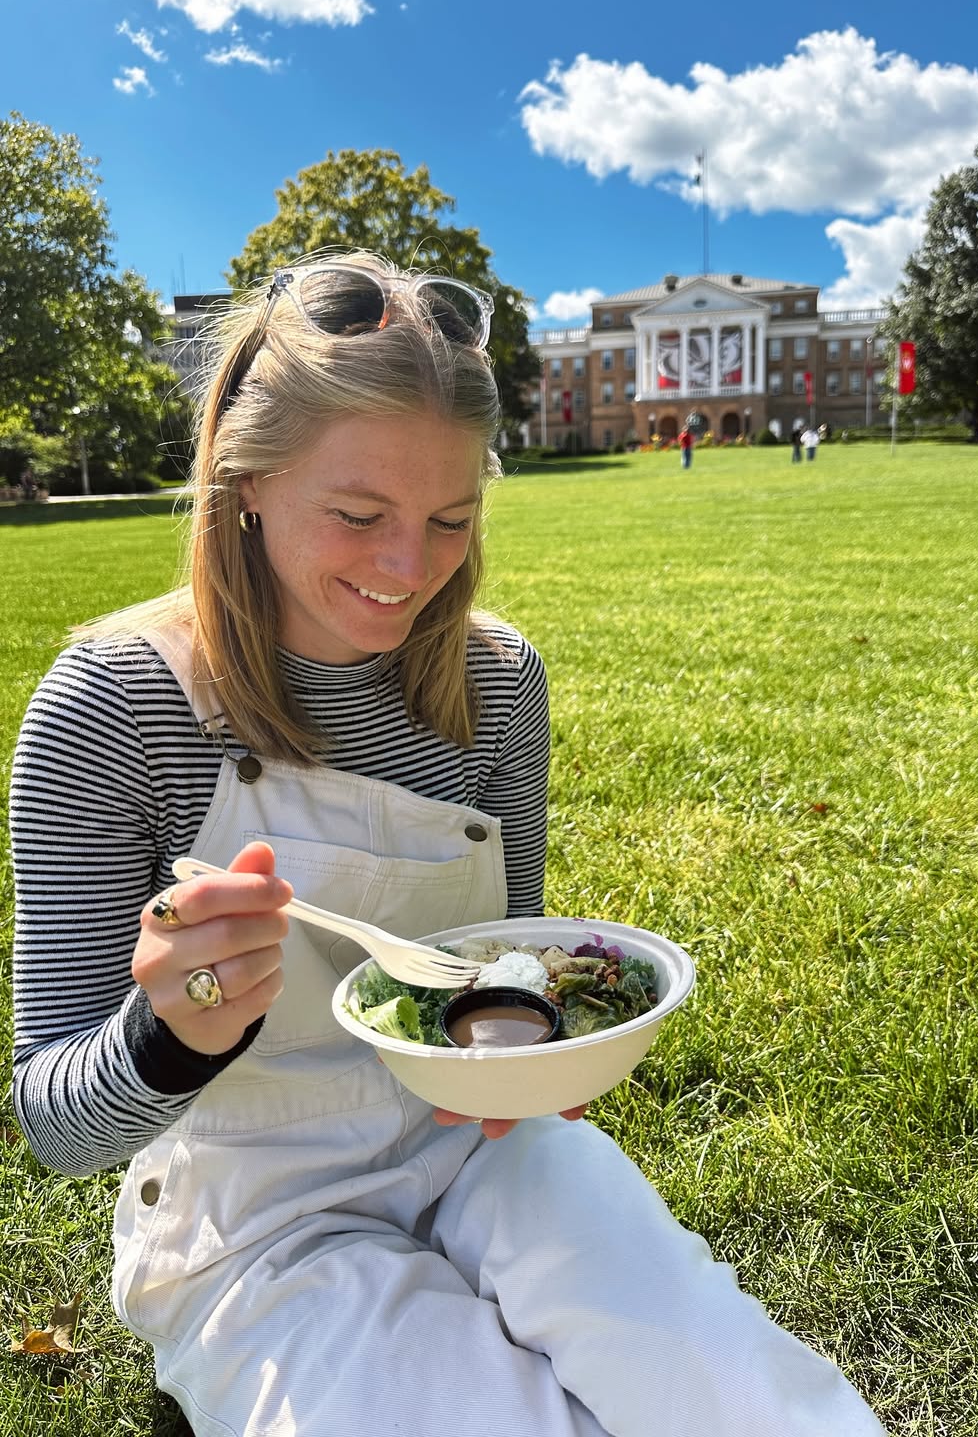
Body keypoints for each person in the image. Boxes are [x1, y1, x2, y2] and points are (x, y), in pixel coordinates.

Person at [8, 251, 884, 1437]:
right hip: (255, 1215)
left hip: (482, 1150)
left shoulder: (496, 680)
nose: (410, 573)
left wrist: (537, 1046)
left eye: (452, 520)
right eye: (359, 516)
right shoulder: (114, 706)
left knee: (750, 1402)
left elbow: (502, 961)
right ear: (247, 480)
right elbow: (53, 1125)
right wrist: (169, 1037)